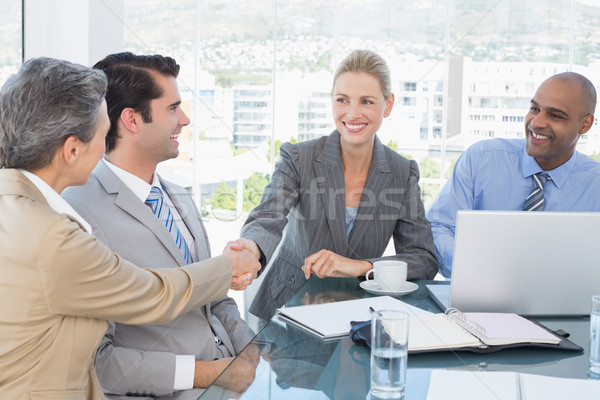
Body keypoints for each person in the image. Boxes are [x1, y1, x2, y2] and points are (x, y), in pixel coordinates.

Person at [0, 57, 260, 399]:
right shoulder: (58, 227)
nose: (104, 143)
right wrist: (228, 267)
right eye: (101, 133)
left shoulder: (177, 194)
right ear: (72, 148)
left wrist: (250, 353)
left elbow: (214, 302)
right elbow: (154, 296)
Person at [239, 49, 438, 321]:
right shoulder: (299, 158)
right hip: (286, 306)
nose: (352, 114)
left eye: (367, 102)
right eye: (342, 100)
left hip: (358, 312)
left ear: (388, 105)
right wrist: (250, 248)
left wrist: (361, 266)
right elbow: (267, 217)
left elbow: (423, 259)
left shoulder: (402, 173)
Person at [426, 71, 600, 278]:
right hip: (478, 295)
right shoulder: (482, 159)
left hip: (566, 305)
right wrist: (477, 269)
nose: (537, 122)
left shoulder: (595, 184)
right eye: (534, 109)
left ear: (585, 124)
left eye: (555, 115)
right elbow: (439, 227)